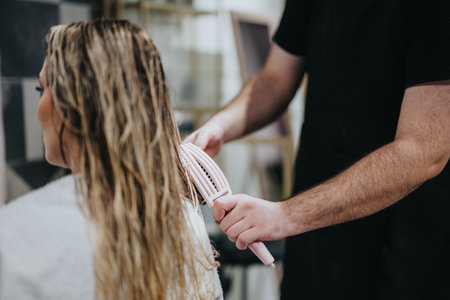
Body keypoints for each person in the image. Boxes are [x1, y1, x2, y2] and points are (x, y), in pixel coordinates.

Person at [185, 0, 450, 299]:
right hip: (315, 237)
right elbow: (274, 80)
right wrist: (218, 127)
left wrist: (284, 216)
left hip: (404, 246)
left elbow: (423, 150)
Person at [0, 19, 222, 300]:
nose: (40, 104)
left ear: (72, 102)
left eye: (42, 89)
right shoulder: (184, 215)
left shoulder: (17, 235)